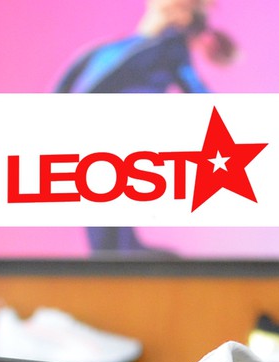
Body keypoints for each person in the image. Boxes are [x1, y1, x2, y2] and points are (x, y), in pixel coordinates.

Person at [54, 0, 237, 255]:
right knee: (100, 211)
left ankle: (118, 256)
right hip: (90, 140)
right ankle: (113, 257)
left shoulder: (170, 49)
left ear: (182, 14)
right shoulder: (109, 48)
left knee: (110, 205)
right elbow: (69, 84)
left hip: (118, 140)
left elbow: (196, 90)